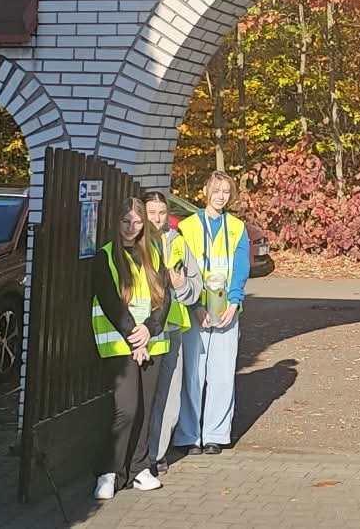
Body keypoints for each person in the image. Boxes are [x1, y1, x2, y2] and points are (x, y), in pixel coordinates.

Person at [92, 197, 172, 499]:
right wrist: (133, 336)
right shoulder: (106, 256)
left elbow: (164, 298)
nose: (131, 227)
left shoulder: (153, 252)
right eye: (126, 221)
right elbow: (110, 301)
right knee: (126, 409)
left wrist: (149, 329)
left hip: (151, 342)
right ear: (117, 222)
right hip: (119, 343)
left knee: (146, 409)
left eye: (137, 222)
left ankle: (139, 468)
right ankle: (109, 471)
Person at [172, 171, 250, 455]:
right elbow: (180, 268)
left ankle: (216, 434)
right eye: (216, 191)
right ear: (205, 191)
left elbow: (240, 268)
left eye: (226, 192)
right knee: (192, 373)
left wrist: (234, 302)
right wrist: (194, 306)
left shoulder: (237, 227)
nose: (221, 196)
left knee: (222, 374)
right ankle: (189, 435)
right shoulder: (187, 226)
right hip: (196, 309)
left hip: (226, 310)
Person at [144, 191, 203, 474]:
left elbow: (195, 286)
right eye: (151, 213)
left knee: (169, 395)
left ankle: (156, 454)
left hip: (172, 327)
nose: (157, 219)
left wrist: (180, 285)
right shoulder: (136, 243)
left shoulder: (178, 242)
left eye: (161, 213)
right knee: (146, 394)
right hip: (145, 329)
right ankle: (140, 453)